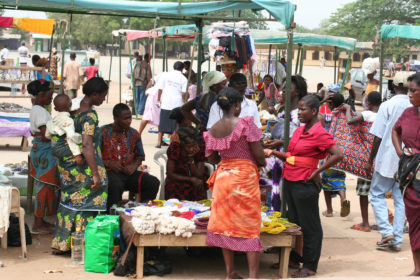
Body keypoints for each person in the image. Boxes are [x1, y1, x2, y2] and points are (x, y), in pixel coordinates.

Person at [264, 95, 343, 278]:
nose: (298, 113)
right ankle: (294, 258)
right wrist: (276, 148)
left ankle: (310, 265)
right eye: (298, 109)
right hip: (291, 180)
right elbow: (291, 154)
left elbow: (337, 154)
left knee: (310, 226)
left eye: (302, 109)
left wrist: (317, 171)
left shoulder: (320, 133)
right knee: (294, 221)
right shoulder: (300, 131)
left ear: (314, 111)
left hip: (305, 183)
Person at [204, 87, 265, 279]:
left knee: (225, 224)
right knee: (249, 224)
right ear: (237, 105)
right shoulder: (246, 124)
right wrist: (262, 157)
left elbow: (212, 158)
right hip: (244, 179)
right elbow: (259, 156)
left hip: (223, 178)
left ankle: (230, 272)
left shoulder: (213, 130)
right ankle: (253, 275)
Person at [51, 77, 109, 254]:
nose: (103, 100)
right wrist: (96, 174)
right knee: (86, 203)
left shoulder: (73, 109)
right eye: (103, 96)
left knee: (69, 201)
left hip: (69, 168)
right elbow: (86, 144)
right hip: (82, 168)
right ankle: (80, 246)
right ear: (94, 94)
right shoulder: (89, 115)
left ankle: (62, 244)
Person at [366, 71, 412, 252]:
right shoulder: (414, 105)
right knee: (400, 199)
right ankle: (397, 239)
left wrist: (370, 160)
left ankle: (386, 233)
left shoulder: (386, 106)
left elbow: (377, 136)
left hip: (387, 158)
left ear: (393, 86)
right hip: (407, 160)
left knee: (376, 194)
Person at [101, 103, 160, 209]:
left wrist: (133, 166)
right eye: (125, 118)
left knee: (153, 182)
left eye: (130, 118)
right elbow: (92, 155)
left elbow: (140, 156)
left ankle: (142, 212)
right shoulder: (103, 132)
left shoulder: (134, 134)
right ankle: (113, 216)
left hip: (128, 173)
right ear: (116, 118)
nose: (129, 121)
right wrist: (108, 163)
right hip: (109, 172)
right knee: (115, 185)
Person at [392, 72, 420, 276]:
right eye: (409, 90)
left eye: (413, 90)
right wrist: (401, 154)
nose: (409, 95)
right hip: (410, 177)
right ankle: (418, 268)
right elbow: (395, 130)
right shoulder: (408, 113)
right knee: (414, 223)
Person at [344, 91, 382, 232]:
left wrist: (348, 109)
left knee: (364, 192)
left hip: (367, 160)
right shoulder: (383, 116)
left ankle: (365, 223)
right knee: (378, 192)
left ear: (369, 103)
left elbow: (349, 121)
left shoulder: (367, 114)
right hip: (380, 161)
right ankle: (381, 221)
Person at [28, 80, 59, 234]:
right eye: (49, 95)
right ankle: (37, 223)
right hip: (44, 149)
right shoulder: (40, 111)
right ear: (40, 96)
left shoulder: (37, 109)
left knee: (44, 184)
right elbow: (47, 134)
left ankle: (41, 220)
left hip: (39, 148)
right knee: (45, 184)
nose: (51, 98)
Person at [164, 107, 207, 201]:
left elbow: (199, 175)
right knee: (172, 186)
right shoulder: (175, 147)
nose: (192, 149)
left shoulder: (200, 148)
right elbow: (170, 173)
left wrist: (191, 161)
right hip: (178, 179)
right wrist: (190, 179)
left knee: (199, 184)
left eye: (194, 146)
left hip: (195, 178)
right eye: (189, 147)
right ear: (182, 145)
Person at [319, 92, 350, 218]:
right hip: (342, 152)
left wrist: (322, 100)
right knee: (339, 179)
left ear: (330, 104)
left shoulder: (328, 116)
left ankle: (329, 210)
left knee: (326, 182)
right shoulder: (345, 116)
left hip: (329, 153)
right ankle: (343, 198)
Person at [263, 75, 308, 150]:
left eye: (287, 88)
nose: (283, 91)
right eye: (283, 88)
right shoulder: (283, 112)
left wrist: (281, 142)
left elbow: (304, 140)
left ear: (297, 92)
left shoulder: (301, 114)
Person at [156, 61, 188, 148]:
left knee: (162, 122)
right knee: (175, 124)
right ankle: (172, 142)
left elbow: (160, 89)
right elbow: (184, 93)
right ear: (182, 69)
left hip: (166, 102)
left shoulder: (166, 75)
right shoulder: (184, 79)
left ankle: (159, 142)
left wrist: (158, 100)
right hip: (176, 104)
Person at [45, 94, 83, 166]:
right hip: (64, 150)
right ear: (71, 104)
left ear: (55, 109)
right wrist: (77, 155)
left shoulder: (52, 121)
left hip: (54, 150)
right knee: (88, 144)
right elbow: (71, 136)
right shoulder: (68, 121)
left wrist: (56, 140)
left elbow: (47, 135)